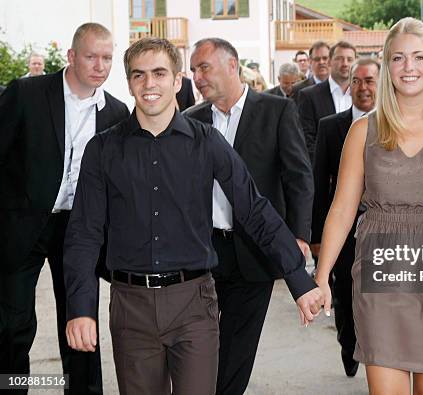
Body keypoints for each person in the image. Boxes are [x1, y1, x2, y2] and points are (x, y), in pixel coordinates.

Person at [63, 37, 322, 395]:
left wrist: (298, 278)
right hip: (130, 307)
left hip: (194, 304)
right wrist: (80, 308)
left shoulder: (208, 142)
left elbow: (254, 208)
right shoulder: (103, 149)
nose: (149, 84)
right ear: (129, 82)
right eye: (139, 75)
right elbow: (84, 234)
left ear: (177, 80)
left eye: (159, 73)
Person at [315, 17, 423, 394]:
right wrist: (322, 274)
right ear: (387, 65)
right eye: (399, 58)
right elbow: (342, 208)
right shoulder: (363, 132)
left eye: (419, 57)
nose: (409, 68)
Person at [0, 22, 129, 394]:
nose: (100, 66)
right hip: (21, 225)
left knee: (80, 322)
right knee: (12, 326)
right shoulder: (27, 93)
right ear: (71, 56)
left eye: (107, 58)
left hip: (80, 231)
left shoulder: (116, 113)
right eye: (91, 56)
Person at [185, 37, 315, 394]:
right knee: (198, 345)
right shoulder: (190, 121)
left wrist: (298, 236)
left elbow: (298, 177)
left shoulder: (277, 111)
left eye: (204, 67)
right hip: (201, 253)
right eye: (193, 69)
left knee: (236, 351)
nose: (196, 77)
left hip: (254, 251)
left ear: (232, 65)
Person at [311, 58, 379, 377]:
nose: (364, 87)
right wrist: (315, 235)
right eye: (357, 81)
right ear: (349, 85)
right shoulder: (331, 126)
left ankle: (376, 347)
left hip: (383, 229)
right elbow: (320, 181)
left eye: (370, 81)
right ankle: (349, 342)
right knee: (344, 291)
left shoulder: (396, 127)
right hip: (345, 229)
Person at [297, 41, 356, 161]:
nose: (345, 64)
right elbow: (307, 140)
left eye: (349, 59)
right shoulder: (309, 96)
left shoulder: (365, 94)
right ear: (330, 61)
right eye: (339, 59)